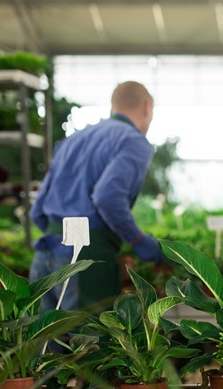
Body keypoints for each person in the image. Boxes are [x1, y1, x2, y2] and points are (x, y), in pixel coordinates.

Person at [30, 80, 162, 314]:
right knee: (89, 345)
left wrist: (59, 237)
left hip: (44, 256)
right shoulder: (133, 141)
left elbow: (37, 210)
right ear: (146, 106)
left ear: (113, 107)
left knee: (44, 344)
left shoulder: (74, 139)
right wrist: (139, 241)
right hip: (85, 260)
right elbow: (107, 197)